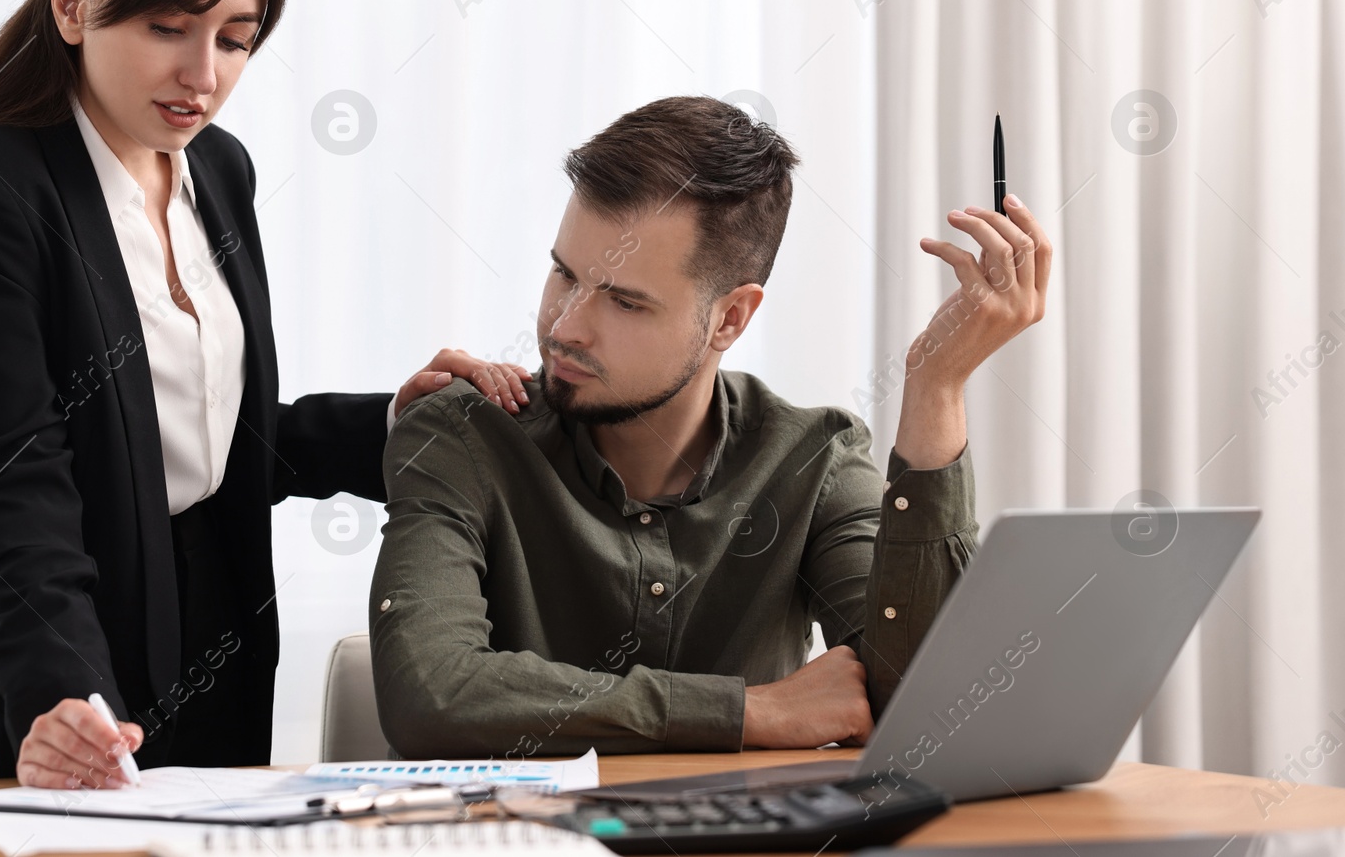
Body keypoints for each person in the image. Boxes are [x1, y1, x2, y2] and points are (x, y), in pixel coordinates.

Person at [0, 0, 529, 787]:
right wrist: (66, 698)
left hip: (203, 668)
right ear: (72, 4)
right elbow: (14, 483)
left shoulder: (218, 170)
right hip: (21, 692)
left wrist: (391, 425)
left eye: (235, 37)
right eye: (169, 27)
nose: (202, 74)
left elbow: (201, 437)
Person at [369, 95, 1051, 757]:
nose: (565, 326)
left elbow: (924, 705)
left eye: (625, 302)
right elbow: (432, 695)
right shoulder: (460, 434)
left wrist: (936, 387)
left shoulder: (814, 462)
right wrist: (749, 710)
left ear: (731, 318)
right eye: (563, 274)